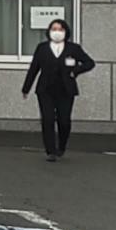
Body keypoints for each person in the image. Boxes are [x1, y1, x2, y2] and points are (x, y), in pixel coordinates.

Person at [20, 18, 94, 161]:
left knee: (64, 120)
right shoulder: (42, 48)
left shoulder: (73, 48)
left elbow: (90, 63)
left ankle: (61, 146)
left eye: (60, 29)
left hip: (66, 90)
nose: (57, 32)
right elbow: (34, 68)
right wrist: (26, 88)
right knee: (47, 119)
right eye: (54, 29)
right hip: (45, 89)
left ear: (66, 32)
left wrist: (76, 71)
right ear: (49, 31)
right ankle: (51, 151)